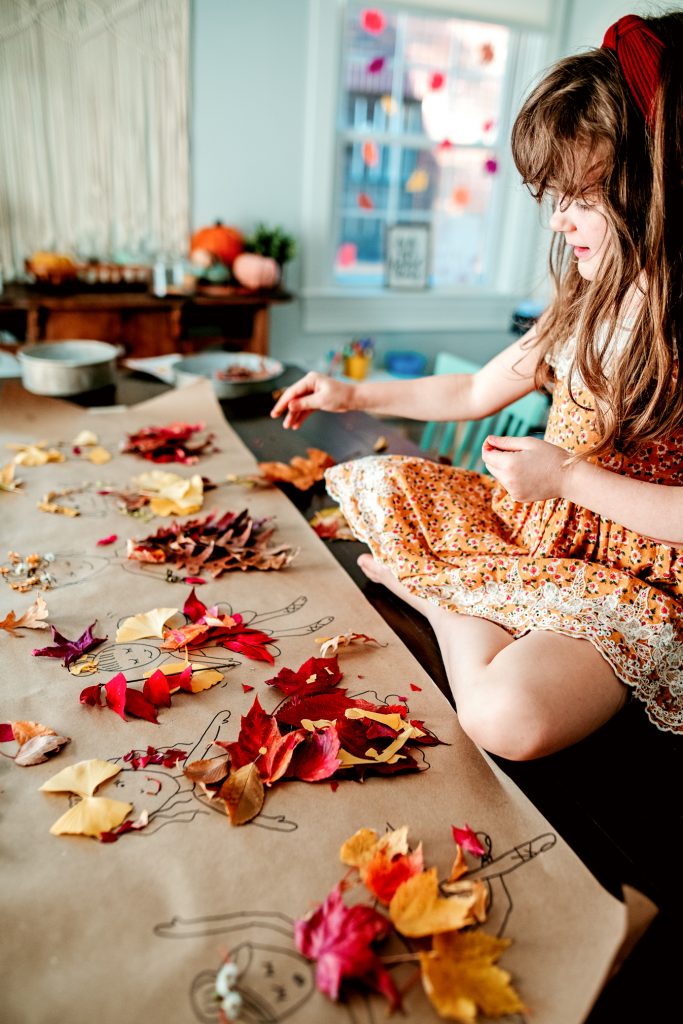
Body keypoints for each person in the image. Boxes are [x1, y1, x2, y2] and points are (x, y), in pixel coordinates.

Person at [271, 13, 683, 760]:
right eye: (552, 197)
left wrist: (564, 475)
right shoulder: (584, 305)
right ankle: (460, 596)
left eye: (580, 197)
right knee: (379, 497)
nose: (558, 220)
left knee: (505, 721)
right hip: (540, 543)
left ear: (656, 186)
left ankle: (437, 599)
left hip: (639, 582)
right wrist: (352, 395)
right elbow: (470, 392)